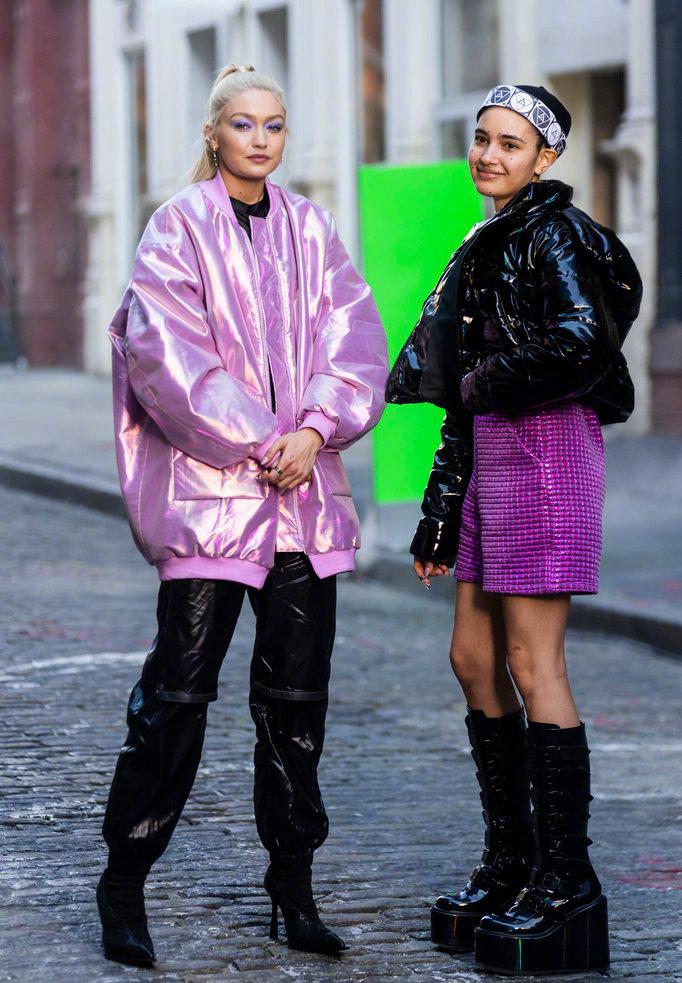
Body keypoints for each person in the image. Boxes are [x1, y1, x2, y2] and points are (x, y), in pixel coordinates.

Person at [97, 64, 388, 968]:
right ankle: (124, 882)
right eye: (244, 124)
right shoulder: (177, 227)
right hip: (214, 501)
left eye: (275, 125)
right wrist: (266, 438)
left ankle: (292, 891)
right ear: (214, 132)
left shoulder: (312, 228)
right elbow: (166, 357)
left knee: (296, 706)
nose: (261, 139)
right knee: (175, 697)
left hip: (303, 501)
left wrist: (315, 429)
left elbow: (355, 338)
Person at [387, 84, 642, 975]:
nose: (489, 155)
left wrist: (486, 378)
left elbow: (580, 340)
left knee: (535, 662)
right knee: (471, 656)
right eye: (482, 139)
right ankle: (511, 861)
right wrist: (437, 511)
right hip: (494, 449)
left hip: (545, 449)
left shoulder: (554, 233)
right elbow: (462, 399)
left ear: (546, 157)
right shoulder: (487, 236)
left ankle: (567, 880)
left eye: (510, 143)